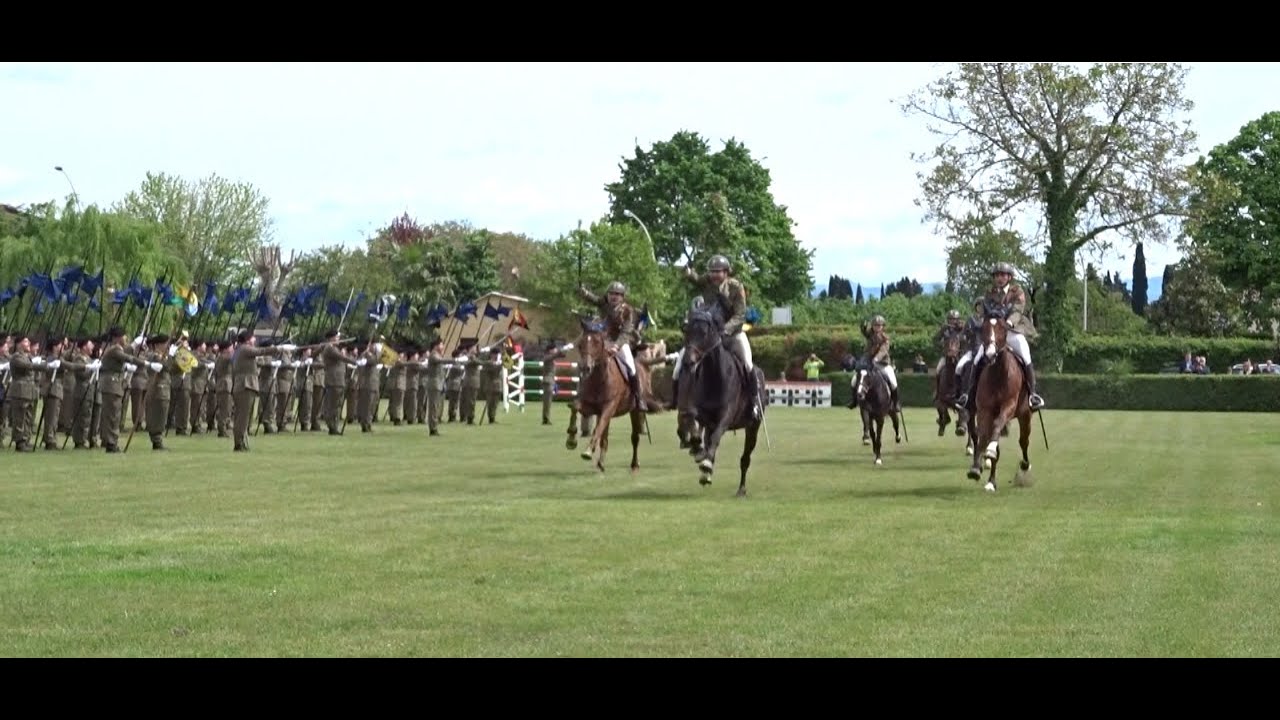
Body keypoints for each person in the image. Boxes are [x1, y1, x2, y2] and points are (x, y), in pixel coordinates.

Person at [674, 255, 760, 418]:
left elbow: (740, 316)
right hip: (709, 335)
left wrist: (725, 330)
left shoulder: (736, 287)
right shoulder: (707, 280)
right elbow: (696, 279)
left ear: (726, 272)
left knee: (748, 365)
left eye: (717, 272)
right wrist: (687, 272)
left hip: (733, 334)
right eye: (712, 272)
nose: (714, 275)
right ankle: (679, 400)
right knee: (682, 363)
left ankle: (754, 402)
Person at [958, 262, 1044, 410]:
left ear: (1009, 277)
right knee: (978, 357)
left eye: (1003, 275)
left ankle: (1033, 395)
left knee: (1025, 354)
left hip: (1013, 330)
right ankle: (967, 394)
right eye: (997, 275)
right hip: (995, 333)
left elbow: (1018, 310)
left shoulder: (1017, 290)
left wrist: (1009, 323)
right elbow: (986, 311)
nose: (999, 278)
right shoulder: (989, 291)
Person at [578, 280, 659, 412]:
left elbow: (626, 331)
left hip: (621, 343)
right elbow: (592, 299)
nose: (614, 296)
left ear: (622, 297)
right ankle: (583, 395)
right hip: (603, 341)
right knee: (588, 361)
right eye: (611, 293)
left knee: (631, 367)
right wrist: (584, 292)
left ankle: (639, 399)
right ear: (607, 295)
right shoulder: (604, 303)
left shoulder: (627, 311)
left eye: (617, 294)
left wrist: (617, 346)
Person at [849, 315, 898, 411]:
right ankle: (854, 401)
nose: (877, 327)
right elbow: (864, 331)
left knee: (893, 382)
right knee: (854, 380)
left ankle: (895, 403)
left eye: (879, 325)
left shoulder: (885, 339)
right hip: (868, 364)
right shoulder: (870, 335)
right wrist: (863, 325)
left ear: (883, 327)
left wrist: (876, 359)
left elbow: (883, 350)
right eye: (875, 325)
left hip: (882, 364)